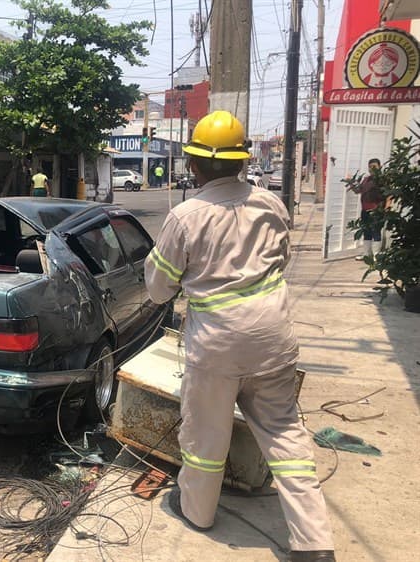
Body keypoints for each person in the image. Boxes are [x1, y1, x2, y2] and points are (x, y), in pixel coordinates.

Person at [144, 110, 335, 562]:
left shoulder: (186, 217)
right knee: (285, 434)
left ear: (193, 165)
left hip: (217, 347)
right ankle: (314, 543)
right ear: (241, 161)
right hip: (273, 338)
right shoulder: (271, 205)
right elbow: (279, 264)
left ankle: (199, 513)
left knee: (207, 437)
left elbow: (157, 289)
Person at [348, 158, 384, 260]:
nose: (371, 169)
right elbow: (358, 190)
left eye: (374, 166)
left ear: (379, 167)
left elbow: (388, 194)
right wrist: (350, 182)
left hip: (376, 210)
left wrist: (386, 207)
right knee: (366, 231)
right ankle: (366, 254)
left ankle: (376, 255)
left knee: (376, 231)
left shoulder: (381, 179)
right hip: (365, 210)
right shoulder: (366, 179)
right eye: (370, 167)